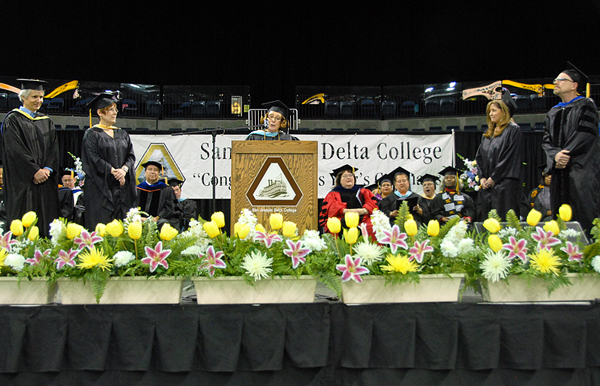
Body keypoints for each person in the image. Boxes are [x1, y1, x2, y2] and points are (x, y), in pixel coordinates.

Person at [541, 64, 600, 234]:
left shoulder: (586, 106)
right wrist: (555, 157)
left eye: (561, 79)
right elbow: (546, 141)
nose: (556, 83)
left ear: (574, 85)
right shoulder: (553, 111)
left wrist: (564, 155)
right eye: (555, 80)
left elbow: (585, 135)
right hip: (560, 172)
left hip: (580, 171)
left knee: (582, 213)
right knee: (559, 215)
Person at [0, 79, 59, 237]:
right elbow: (15, 151)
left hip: (45, 182)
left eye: (40, 97)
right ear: (23, 97)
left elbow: (53, 149)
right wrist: (34, 171)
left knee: (45, 223)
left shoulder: (46, 121)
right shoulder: (13, 120)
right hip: (24, 183)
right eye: (34, 97)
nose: (38, 101)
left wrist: (47, 169)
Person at [81, 92, 136, 230]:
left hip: (121, 188)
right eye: (111, 109)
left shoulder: (122, 134)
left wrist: (123, 170)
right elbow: (93, 158)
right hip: (101, 188)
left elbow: (131, 156)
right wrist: (112, 171)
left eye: (115, 109)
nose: (115, 113)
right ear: (100, 112)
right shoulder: (92, 134)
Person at [475, 91, 522, 220]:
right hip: (488, 186)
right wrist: (482, 177)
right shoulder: (488, 133)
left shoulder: (513, 130)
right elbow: (479, 157)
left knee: (504, 220)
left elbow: (508, 158)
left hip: (505, 186)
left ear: (504, 112)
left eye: (494, 111)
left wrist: (493, 178)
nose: (491, 114)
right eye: (490, 111)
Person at [318, 164, 378, 235]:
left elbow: (373, 206)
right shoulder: (332, 194)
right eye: (345, 176)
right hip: (342, 219)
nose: (348, 178)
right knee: (335, 226)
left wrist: (361, 211)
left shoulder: (364, 191)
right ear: (339, 179)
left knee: (372, 225)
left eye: (350, 175)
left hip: (362, 219)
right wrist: (348, 211)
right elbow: (331, 209)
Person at [134, 160, 180, 229]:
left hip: (159, 220)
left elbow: (170, 207)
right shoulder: (138, 189)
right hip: (140, 219)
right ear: (145, 172)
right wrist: (139, 217)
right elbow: (132, 205)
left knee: (163, 223)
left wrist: (157, 217)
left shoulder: (166, 189)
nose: (152, 172)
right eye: (150, 169)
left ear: (159, 174)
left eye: (155, 170)